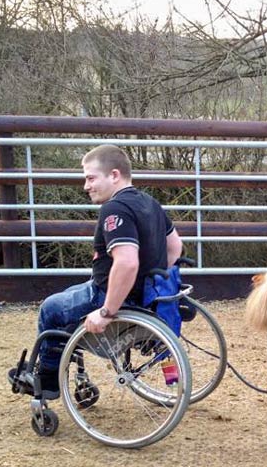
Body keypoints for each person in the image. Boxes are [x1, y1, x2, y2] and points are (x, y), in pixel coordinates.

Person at [21, 144, 183, 399]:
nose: (86, 186)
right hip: (149, 297)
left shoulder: (115, 209)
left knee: (51, 309)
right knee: (70, 294)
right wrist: (151, 283)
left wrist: (108, 310)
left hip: (113, 297)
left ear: (115, 175)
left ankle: (48, 382)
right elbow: (175, 247)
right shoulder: (150, 203)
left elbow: (127, 262)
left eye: (91, 178)